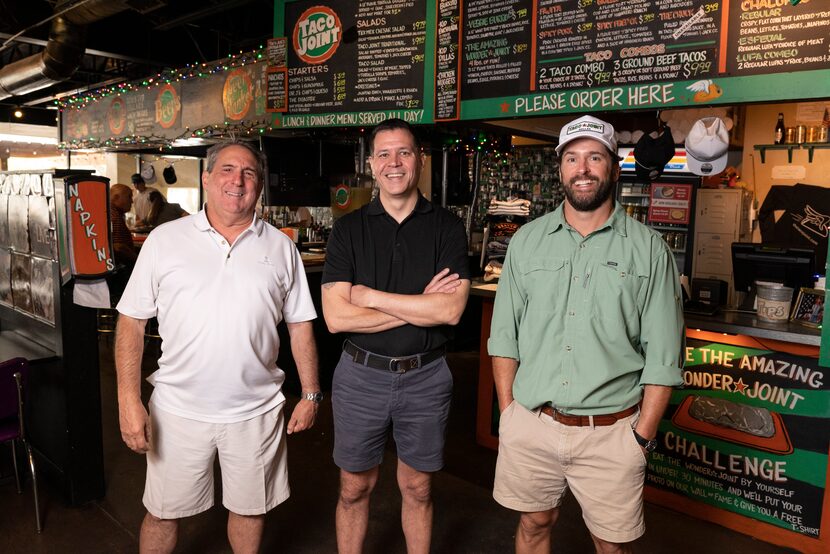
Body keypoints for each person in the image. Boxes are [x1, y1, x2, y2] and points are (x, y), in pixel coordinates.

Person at [488, 114, 685, 554]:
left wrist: (641, 437)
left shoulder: (649, 249)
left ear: (613, 167)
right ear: (560, 168)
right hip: (533, 424)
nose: (583, 168)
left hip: (613, 432)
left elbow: (665, 356)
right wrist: (511, 414)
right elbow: (504, 337)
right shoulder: (527, 241)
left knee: (610, 544)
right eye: (572, 158)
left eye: (595, 157)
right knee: (534, 524)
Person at [115, 140, 321, 554]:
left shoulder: (281, 247)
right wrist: (127, 399)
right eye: (227, 170)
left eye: (248, 173)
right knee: (161, 512)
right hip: (177, 410)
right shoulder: (165, 239)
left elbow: (300, 326)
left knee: (250, 511)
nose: (237, 180)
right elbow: (131, 323)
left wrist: (312, 394)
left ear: (259, 185)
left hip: (256, 412)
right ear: (207, 178)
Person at [321, 118, 471, 554]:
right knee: (353, 488)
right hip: (359, 376)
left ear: (419, 160)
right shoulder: (348, 229)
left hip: (426, 377)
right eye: (384, 153)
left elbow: (450, 310)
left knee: (419, 488)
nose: (394, 162)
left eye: (404, 152)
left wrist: (369, 296)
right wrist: (415, 306)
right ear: (371, 164)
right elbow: (337, 319)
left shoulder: (447, 227)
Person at [109, 183, 137, 266]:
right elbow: (119, 247)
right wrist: (138, 261)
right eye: (129, 197)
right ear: (116, 198)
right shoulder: (114, 216)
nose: (132, 201)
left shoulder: (111, 212)